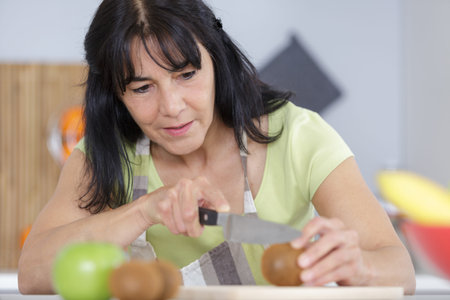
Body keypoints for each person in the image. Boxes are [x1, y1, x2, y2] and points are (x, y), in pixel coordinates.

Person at [18, 0, 415, 295]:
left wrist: (358, 266)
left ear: (216, 60)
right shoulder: (104, 153)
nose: (172, 108)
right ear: (115, 95)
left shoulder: (298, 135)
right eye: (142, 88)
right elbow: (32, 272)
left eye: (187, 74)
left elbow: (400, 270)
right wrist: (145, 209)